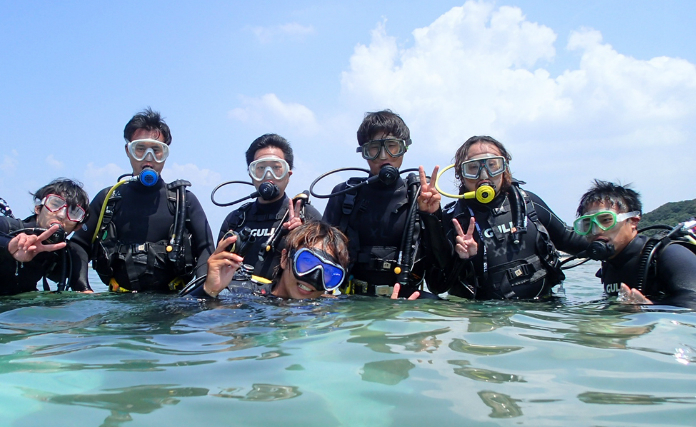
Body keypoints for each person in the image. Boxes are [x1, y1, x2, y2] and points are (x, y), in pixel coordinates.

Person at [423, 135, 587, 300]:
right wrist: (461, 258)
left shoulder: (527, 203)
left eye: (493, 165)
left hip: (542, 315)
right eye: (473, 167)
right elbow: (437, 285)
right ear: (460, 174)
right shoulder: (452, 219)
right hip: (484, 318)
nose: (484, 175)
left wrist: (609, 243)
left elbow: (571, 240)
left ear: (505, 169)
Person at [69, 108, 214, 293]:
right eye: (140, 149)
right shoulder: (108, 199)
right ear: (128, 151)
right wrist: (82, 287)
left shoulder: (184, 201)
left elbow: (207, 249)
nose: (148, 158)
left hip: (172, 305)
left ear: (165, 154)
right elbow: (79, 244)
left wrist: (198, 294)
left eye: (156, 150)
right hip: (118, 306)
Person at [323, 110, 439, 299]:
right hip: (353, 302)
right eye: (374, 149)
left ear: (404, 148)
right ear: (364, 153)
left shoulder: (420, 196)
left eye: (392, 146)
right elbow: (323, 254)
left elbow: (442, 271)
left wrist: (433, 216)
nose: (384, 156)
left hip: (406, 303)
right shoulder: (344, 195)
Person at [574, 180, 696, 309]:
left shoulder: (670, 255)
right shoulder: (609, 265)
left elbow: (692, 308)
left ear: (633, 221)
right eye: (587, 223)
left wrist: (649, 309)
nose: (596, 230)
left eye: (606, 220)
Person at [217, 133, 322, 280]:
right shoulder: (235, 220)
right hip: (239, 301)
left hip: (285, 303)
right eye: (260, 168)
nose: (268, 175)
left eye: (276, 168)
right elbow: (217, 268)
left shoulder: (309, 217)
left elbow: (322, 274)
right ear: (251, 174)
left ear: (288, 174)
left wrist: (301, 237)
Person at [186, 222, 349, 300]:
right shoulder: (242, 296)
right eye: (306, 262)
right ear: (285, 258)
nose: (313, 278)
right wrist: (208, 291)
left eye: (328, 274)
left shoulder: (327, 311)